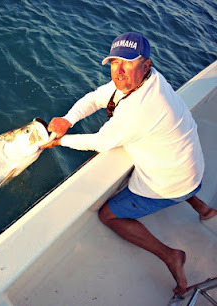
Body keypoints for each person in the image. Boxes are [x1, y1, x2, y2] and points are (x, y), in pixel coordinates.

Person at [41, 32, 217, 295]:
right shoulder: (150, 80)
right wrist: (68, 119)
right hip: (191, 168)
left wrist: (60, 142)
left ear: (145, 65)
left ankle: (171, 256)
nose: (118, 71)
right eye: (113, 62)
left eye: (128, 62)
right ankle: (204, 208)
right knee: (180, 177)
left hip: (170, 183)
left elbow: (101, 142)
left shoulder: (142, 108)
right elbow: (95, 98)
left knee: (109, 215)